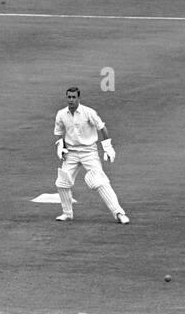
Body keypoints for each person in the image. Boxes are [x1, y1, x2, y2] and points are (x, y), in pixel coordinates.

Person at [52, 86, 129, 224]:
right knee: (62, 182)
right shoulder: (61, 114)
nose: (71, 100)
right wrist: (60, 146)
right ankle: (67, 213)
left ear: (78, 98)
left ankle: (119, 213)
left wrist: (107, 147)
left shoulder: (88, 112)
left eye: (73, 97)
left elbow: (102, 128)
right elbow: (59, 131)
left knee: (100, 182)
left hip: (89, 151)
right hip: (71, 152)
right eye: (68, 97)